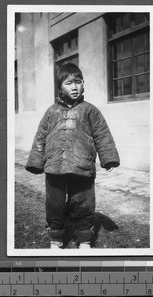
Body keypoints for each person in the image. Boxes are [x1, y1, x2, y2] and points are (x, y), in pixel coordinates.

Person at [25, 63, 120, 249]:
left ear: (83, 84)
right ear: (60, 87)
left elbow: (102, 134)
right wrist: (36, 162)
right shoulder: (51, 112)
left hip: (82, 167)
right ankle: (56, 237)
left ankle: (84, 238)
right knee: (55, 205)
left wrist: (108, 158)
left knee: (84, 204)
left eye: (78, 82)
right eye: (69, 83)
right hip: (54, 168)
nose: (74, 87)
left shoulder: (90, 110)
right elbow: (41, 136)